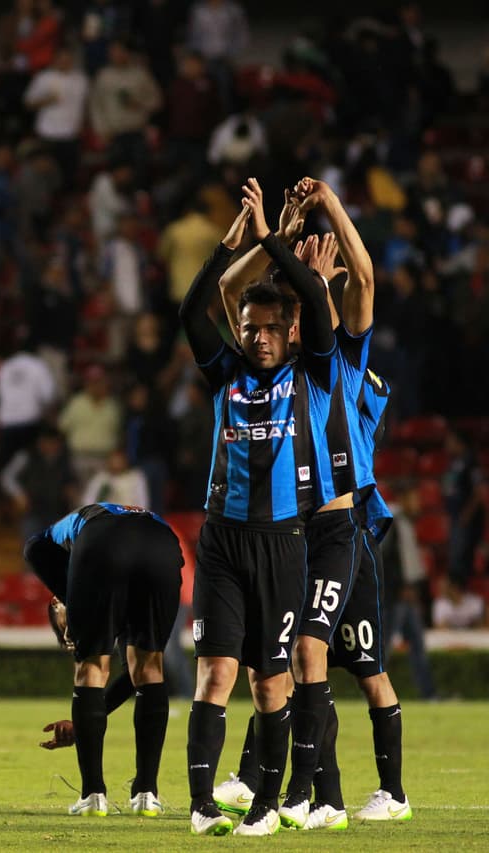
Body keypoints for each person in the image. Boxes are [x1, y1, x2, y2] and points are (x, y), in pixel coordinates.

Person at [216, 178, 390, 830]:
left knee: (310, 655)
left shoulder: (335, 350)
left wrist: (331, 208)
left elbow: (364, 280)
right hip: (285, 527)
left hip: (336, 523)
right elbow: (239, 296)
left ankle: (296, 793)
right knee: (291, 666)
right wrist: (283, 233)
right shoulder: (268, 361)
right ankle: (328, 797)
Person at [177, 179, 345, 837]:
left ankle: (265, 805)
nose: (259, 338)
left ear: (289, 329)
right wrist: (233, 238)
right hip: (221, 537)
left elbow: (313, 295)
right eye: (250, 328)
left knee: (270, 686)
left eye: (270, 329)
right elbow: (194, 310)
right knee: (214, 671)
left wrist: (276, 233)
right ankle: (199, 805)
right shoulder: (226, 373)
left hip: (282, 541)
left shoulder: (313, 369)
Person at [23, 503, 183, 819]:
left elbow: (33, 547)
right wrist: (83, 724)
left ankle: (93, 794)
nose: (67, 631)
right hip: (162, 543)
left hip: (102, 539)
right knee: (149, 667)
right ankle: (147, 794)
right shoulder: (117, 596)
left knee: (91, 665)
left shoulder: (67, 555)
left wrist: (73, 596)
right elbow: (130, 678)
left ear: (57, 602)